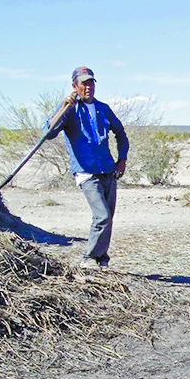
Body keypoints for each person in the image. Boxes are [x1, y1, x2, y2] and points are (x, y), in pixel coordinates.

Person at [45, 66, 129, 267]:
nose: (88, 87)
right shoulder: (70, 109)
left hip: (108, 171)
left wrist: (122, 160)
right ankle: (88, 258)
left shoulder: (104, 109)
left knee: (108, 218)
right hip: (86, 173)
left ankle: (102, 259)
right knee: (102, 216)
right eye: (83, 83)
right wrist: (62, 107)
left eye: (91, 82)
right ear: (75, 86)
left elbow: (121, 133)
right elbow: (48, 133)